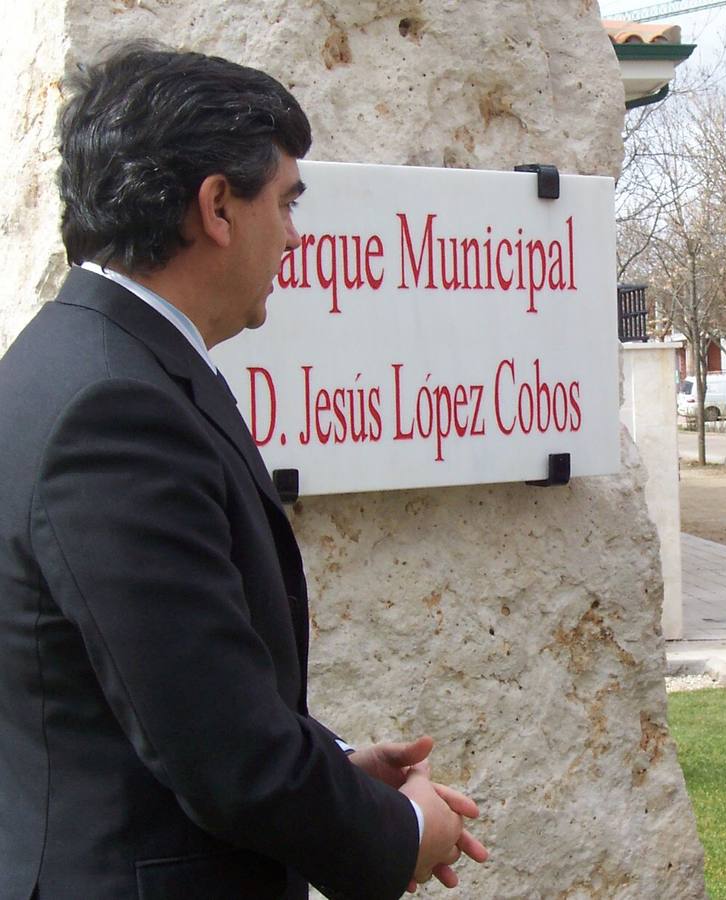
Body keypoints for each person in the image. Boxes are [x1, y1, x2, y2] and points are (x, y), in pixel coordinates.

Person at [0, 43, 486, 899]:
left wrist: (332, 763)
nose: (296, 238)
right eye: (287, 202)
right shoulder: (115, 411)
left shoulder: (80, 359)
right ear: (218, 206)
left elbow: (172, 677)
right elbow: (221, 753)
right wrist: (406, 829)